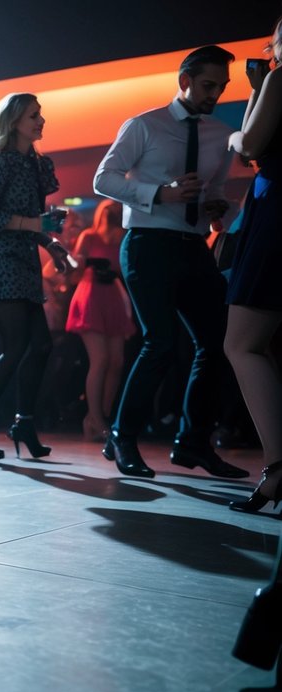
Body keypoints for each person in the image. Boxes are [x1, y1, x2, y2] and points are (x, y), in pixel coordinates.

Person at [94, 45, 248, 480]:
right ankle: (122, 437)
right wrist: (160, 193)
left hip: (193, 244)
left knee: (218, 341)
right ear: (184, 81)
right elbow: (102, 179)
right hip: (147, 244)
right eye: (207, 85)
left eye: (220, 87)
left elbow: (214, 192)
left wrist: (217, 208)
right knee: (159, 342)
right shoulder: (145, 125)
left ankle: (193, 443)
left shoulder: (220, 134)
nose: (214, 93)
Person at [0, 92, 72, 461]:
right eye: (32, 117)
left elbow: (32, 221)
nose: (41, 121)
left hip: (22, 258)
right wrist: (34, 225)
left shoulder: (36, 164)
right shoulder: (1, 162)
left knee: (41, 346)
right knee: (17, 346)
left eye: (41, 115)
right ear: (13, 123)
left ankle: (23, 422)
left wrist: (51, 243)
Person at [226, 18, 282, 514]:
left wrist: (260, 87)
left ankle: (279, 467)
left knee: (242, 342)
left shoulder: (281, 79)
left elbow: (250, 143)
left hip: (278, 209)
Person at [64, 199, 135, 442]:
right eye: (108, 209)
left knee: (116, 361)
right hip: (91, 294)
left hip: (112, 296)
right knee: (101, 359)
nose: (112, 212)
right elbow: (75, 263)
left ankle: (101, 416)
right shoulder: (89, 235)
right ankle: (95, 418)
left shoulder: (122, 237)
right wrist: (80, 260)